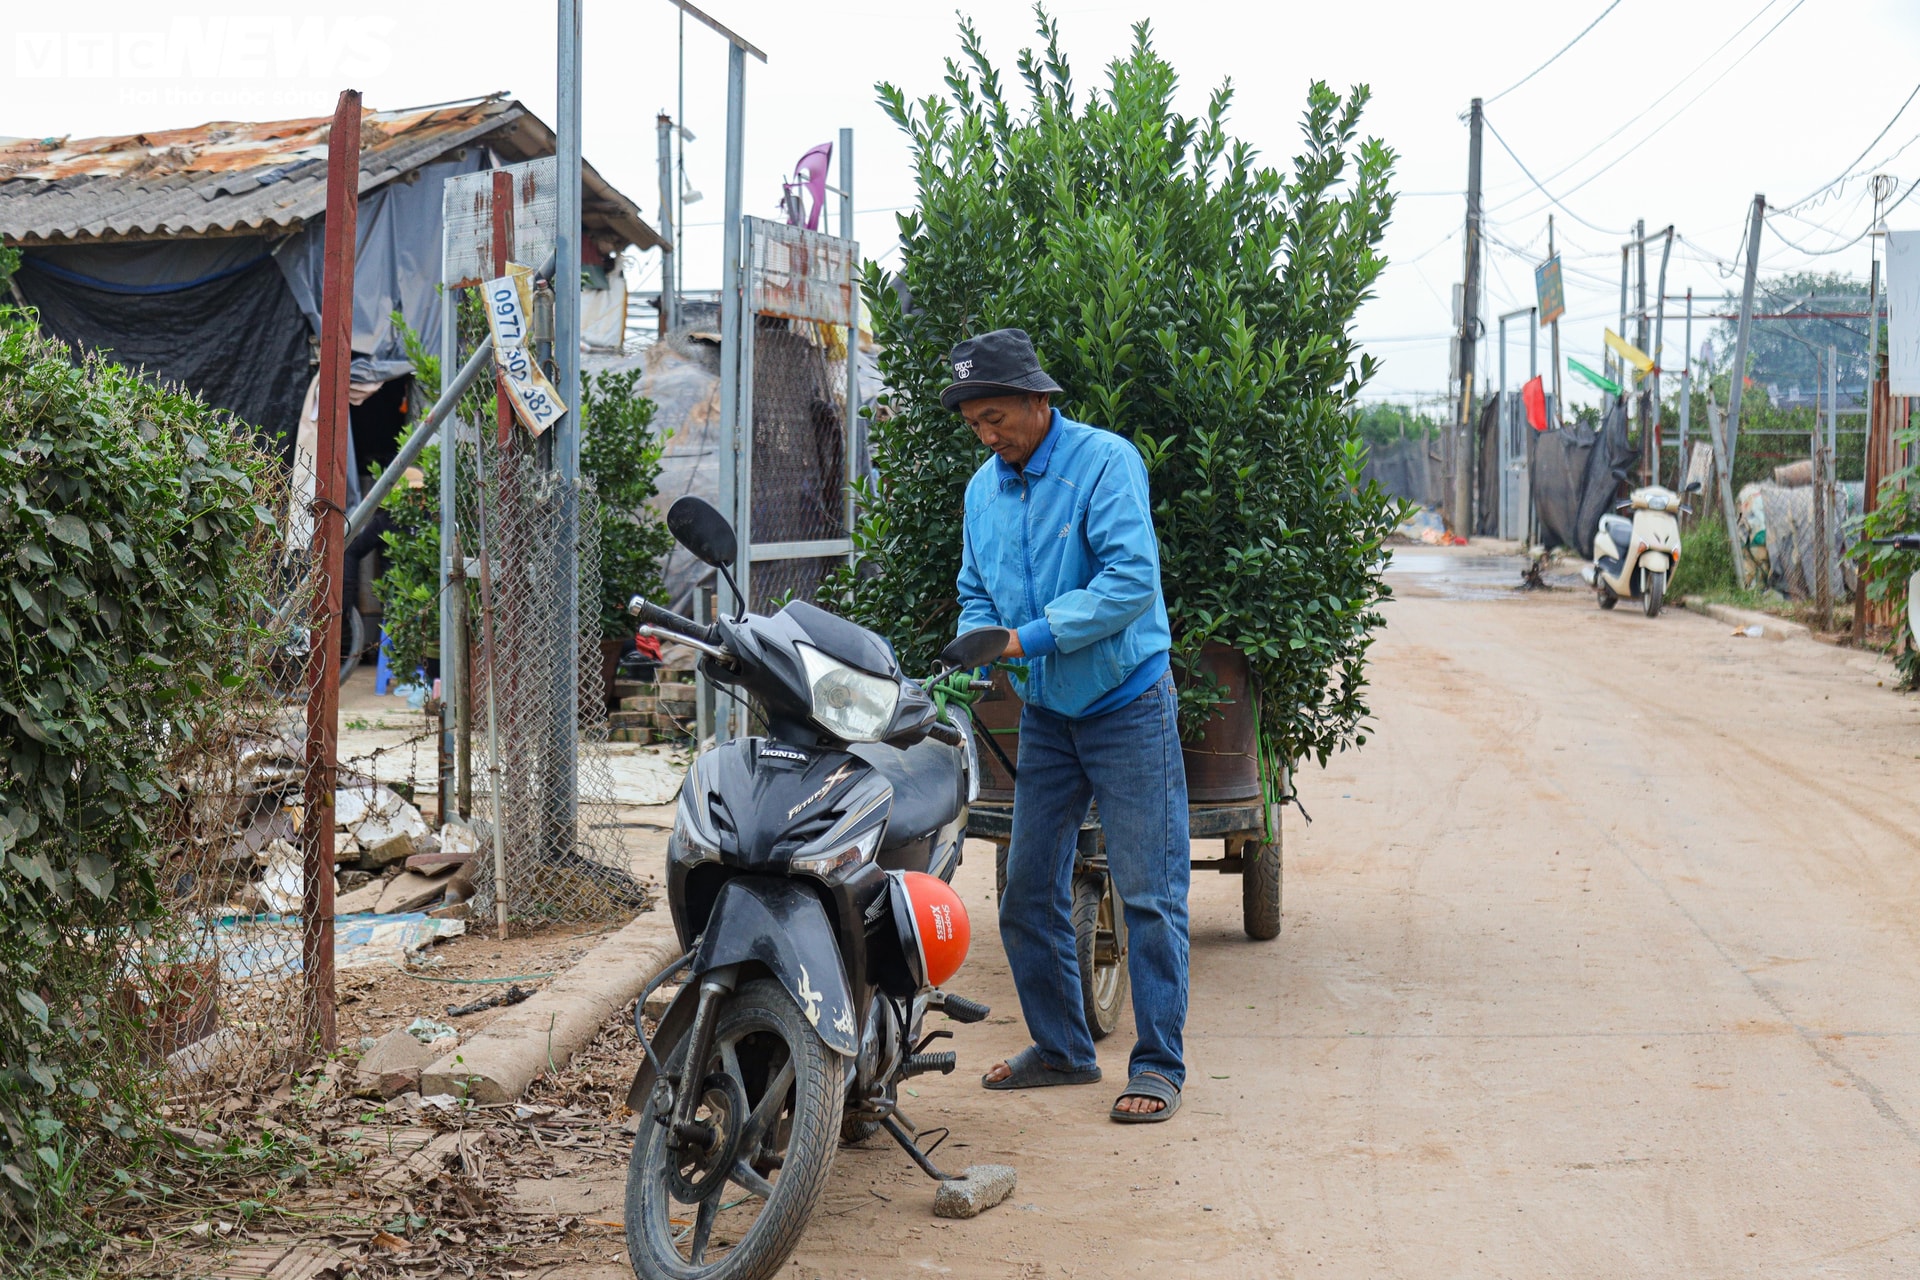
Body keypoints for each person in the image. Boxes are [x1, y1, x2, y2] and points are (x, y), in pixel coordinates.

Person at [943, 328, 1190, 1123]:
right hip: (1048, 716)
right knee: (1024, 890)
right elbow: (977, 587)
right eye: (975, 424)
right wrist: (979, 645)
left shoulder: (1107, 463)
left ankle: (1157, 1065)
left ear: (1037, 401)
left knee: (1151, 894)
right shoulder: (985, 490)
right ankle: (1064, 1049)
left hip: (1128, 705)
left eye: (996, 419)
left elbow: (1128, 584)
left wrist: (1028, 639)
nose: (987, 437)